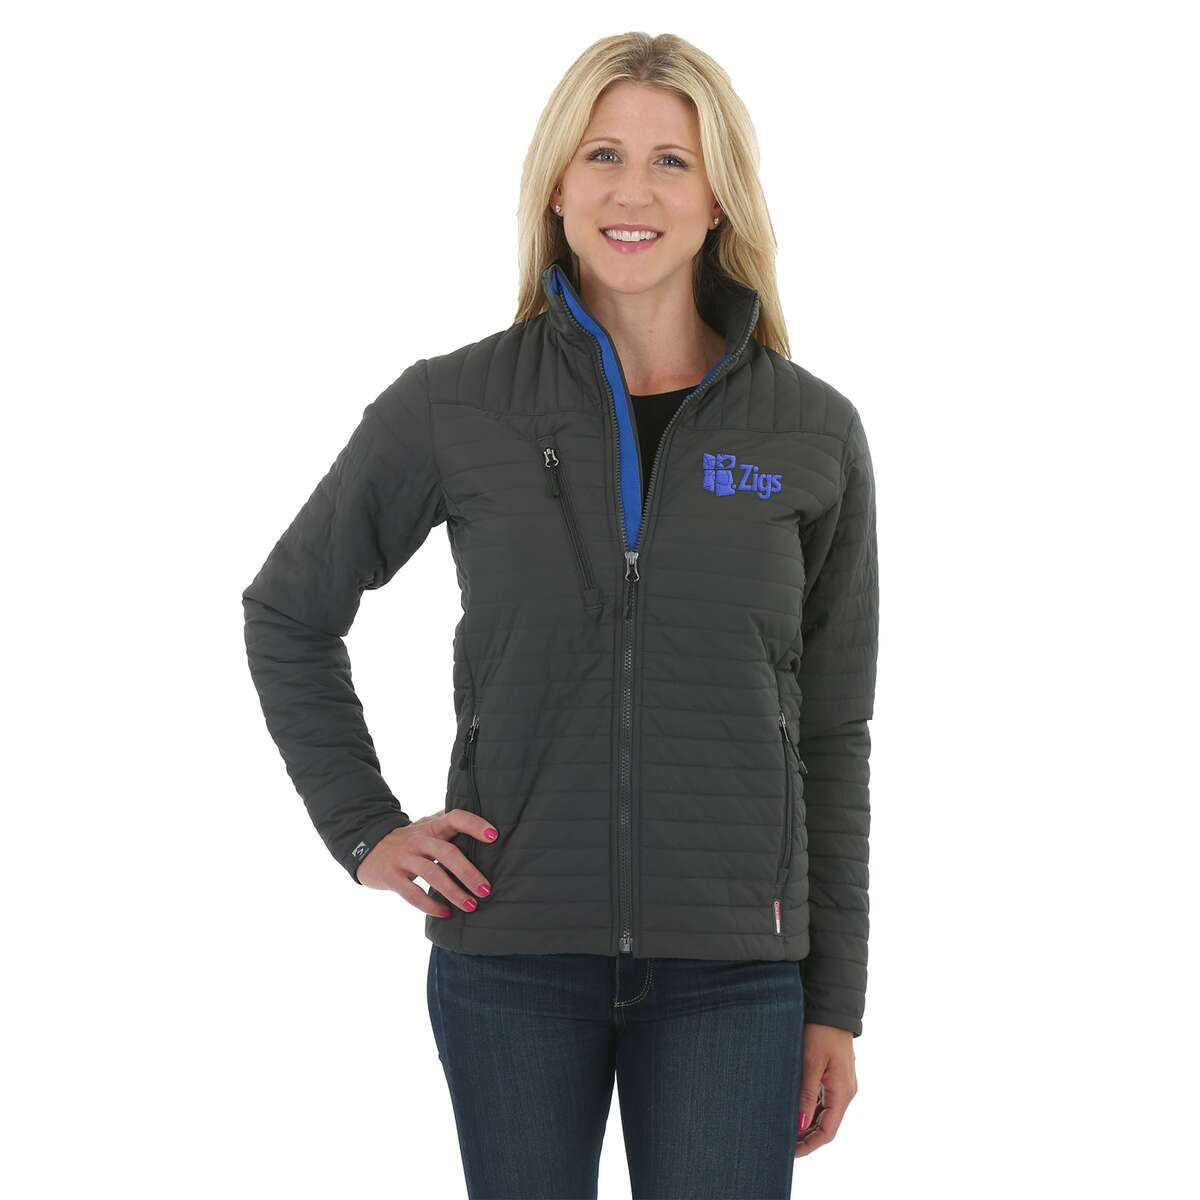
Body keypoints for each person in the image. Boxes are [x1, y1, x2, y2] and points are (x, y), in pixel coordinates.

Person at [242, 30, 879, 1200]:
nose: (633, 192)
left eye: (672, 161)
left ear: (720, 197)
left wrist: (834, 999)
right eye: (602, 155)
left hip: (734, 973)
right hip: (513, 955)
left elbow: (834, 730)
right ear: (556, 185)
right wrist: (364, 829)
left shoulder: (809, 431)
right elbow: (289, 611)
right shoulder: (455, 404)